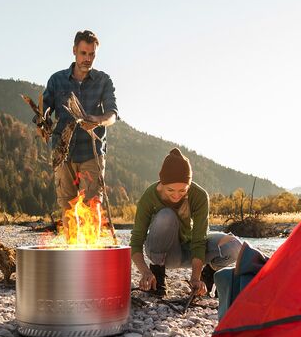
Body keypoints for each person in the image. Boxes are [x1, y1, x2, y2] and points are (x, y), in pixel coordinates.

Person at [130, 149, 243, 297]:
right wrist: (145, 272)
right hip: (166, 254)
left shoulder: (199, 196)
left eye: (183, 190)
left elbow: (199, 239)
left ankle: (208, 274)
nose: (176, 195)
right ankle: (158, 274)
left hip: (191, 249)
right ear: (162, 183)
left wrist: (195, 278)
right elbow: (136, 241)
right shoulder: (149, 197)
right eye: (170, 190)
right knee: (166, 215)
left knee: (235, 246)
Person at [41, 30, 119, 229]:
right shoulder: (57, 80)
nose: (87, 59)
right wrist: (42, 121)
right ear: (74, 51)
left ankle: (92, 253)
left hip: (91, 154)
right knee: (67, 206)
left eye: (92, 54)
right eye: (84, 53)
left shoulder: (103, 80)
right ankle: (72, 253)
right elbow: (45, 108)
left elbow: (112, 115)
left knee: (91, 206)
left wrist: (98, 120)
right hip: (62, 152)